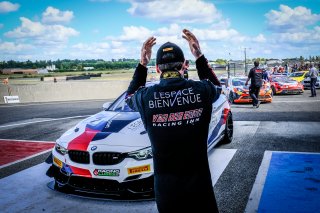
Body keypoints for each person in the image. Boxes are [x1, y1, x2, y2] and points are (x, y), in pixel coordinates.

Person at [125, 29, 221, 213]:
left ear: (157, 69)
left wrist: (142, 64)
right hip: (199, 186)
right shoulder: (201, 90)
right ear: (184, 65)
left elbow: (129, 97)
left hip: (167, 190)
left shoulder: (146, 97)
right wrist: (199, 56)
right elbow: (218, 87)